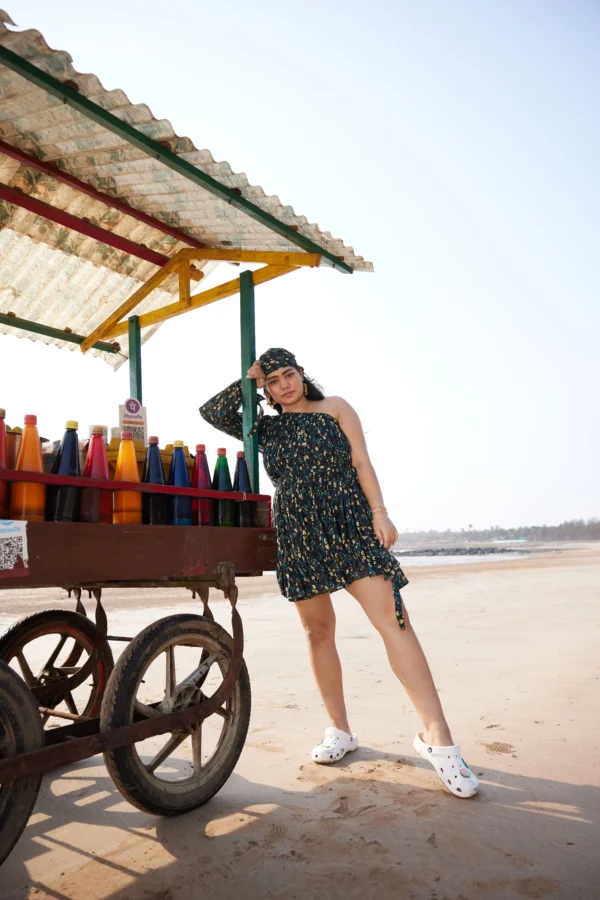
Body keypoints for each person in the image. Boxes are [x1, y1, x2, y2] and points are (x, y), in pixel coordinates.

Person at [200, 348, 478, 798]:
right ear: (266, 391)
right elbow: (212, 412)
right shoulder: (264, 429)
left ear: (302, 374)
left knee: (395, 622)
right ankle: (340, 731)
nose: (283, 385)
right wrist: (247, 381)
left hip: (350, 524)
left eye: (288, 375)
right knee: (317, 633)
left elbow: (362, 463)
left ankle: (438, 739)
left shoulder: (335, 409)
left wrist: (380, 514)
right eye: (273, 382)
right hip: (298, 534)